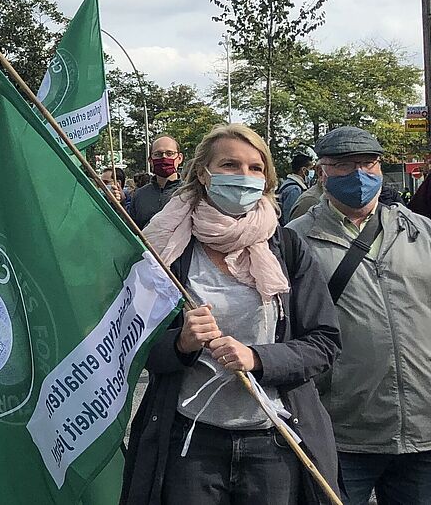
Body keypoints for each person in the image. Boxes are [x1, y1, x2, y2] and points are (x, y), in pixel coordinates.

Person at [122, 124, 341, 505]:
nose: (243, 176)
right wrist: (180, 343)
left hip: (274, 443)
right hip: (190, 444)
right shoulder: (166, 248)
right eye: (229, 165)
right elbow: (133, 347)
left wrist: (258, 358)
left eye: (255, 168)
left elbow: (324, 343)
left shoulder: (287, 247)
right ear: (203, 174)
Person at [286, 126, 431, 505]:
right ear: (323, 172)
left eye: (369, 163)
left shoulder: (421, 232)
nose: (360, 174)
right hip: (342, 428)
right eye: (345, 165)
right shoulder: (295, 240)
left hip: (423, 430)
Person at [128, 136, 184, 229]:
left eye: (169, 153)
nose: (164, 157)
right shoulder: (139, 195)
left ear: (179, 158)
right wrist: (118, 204)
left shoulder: (190, 192)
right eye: (158, 154)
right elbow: (131, 229)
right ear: (150, 160)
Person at [278, 152, 314, 224]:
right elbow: (290, 219)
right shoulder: (294, 190)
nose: (313, 172)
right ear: (304, 170)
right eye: (311, 168)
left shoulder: (289, 184)